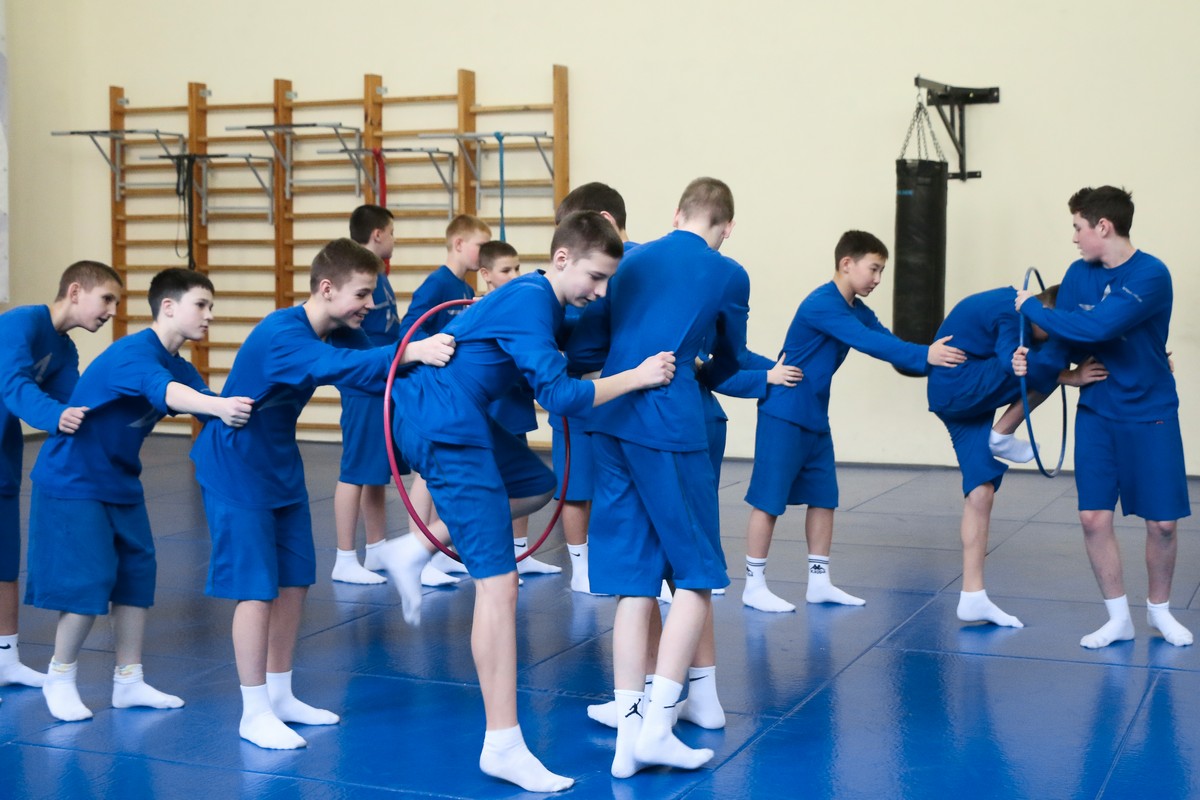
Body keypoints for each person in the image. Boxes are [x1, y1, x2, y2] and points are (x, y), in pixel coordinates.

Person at [376, 211, 674, 792]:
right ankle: (503, 744)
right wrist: (636, 377)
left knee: (536, 486)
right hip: (442, 420)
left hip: (460, 414)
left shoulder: (544, 300)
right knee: (500, 585)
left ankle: (414, 548)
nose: (599, 292)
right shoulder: (531, 301)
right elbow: (559, 396)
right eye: (595, 277)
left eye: (608, 281)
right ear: (562, 259)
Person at [190, 240, 453, 749]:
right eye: (362, 294)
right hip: (235, 467)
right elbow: (344, 368)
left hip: (278, 465)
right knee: (256, 589)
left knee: (294, 582)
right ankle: (253, 711)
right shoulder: (283, 334)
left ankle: (280, 693)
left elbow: (379, 375)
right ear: (327, 288)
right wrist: (412, 350)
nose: (370, 305)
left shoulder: (340, 330)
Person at [566, 178, 751, 778]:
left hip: (610, 419)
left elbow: (586, 345)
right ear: (726, 226)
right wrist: (703, 364)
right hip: (669, 424)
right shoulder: (728, 272)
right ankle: (660, 725)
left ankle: (629, 735)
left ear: (677, 214)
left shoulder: (628, 258)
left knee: (634, 582)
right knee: (696, 574)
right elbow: (730, 359)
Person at [27, 268, 253, 722]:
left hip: (120, 480)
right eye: (201, 305)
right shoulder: (133, 353)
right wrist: (218, 406)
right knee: (89, 580)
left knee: (136, 575)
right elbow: (165, 391)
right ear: (168, 307)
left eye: (211, 307)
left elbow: (204, 403)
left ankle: (128, 681)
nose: (209, 315)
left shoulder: (180, 366)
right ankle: (60, 676)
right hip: (73, 481)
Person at [741, 230, 966, 613]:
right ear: (847, 264)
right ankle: (754, 585)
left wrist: (929, 357)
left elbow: (887, 340)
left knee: (824, 497)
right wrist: (925, 355)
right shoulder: (822, 305)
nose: (877, 279)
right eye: (873, 269)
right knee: (769, 499)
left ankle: (819, 582)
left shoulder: (856, 309)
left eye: (881, 271)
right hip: (784, 411)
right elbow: (869, 343)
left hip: (814, 412)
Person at [1015, 185, 1192, 649]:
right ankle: (1118, 619)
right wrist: (1048, 370)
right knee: (1094, 518)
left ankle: (1159, 612)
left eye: (1078, 228)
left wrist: (1030, 305)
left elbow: (1097, 326)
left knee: (1163, 524)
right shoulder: (1077, 275)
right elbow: (1064, 343)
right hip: (1098, 410)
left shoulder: (1152, 274)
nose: (1074, 237)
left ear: (1103, 226)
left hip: (1150, 410)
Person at [929, 285, 1105, 627]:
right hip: (959, 386)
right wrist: (1069, 376)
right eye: (1051, 327)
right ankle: (1003, 433)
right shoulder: (1008, 310)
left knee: (981, 492)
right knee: (1050, 357)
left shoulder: (1027, 316)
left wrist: (1153, 359)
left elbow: (1089, 344)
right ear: (1041, 312)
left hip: (963, 395)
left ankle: (973, 597)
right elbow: (1012, 360)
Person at [0, 261, 122, 698]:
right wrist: (56, 416)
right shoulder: (20, 323)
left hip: (4, 454)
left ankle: (5, 659)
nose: (112, 311)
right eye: (106, 299)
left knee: (5, 560)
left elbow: (78, 403)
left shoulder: (65, 350)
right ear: (74, 292)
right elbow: (13, 384)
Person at [551, 183, 637, 593]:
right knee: (577, 486)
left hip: (613, 392)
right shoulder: (568, 283)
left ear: (602, 222)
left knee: (612, 486)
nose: (599, 286)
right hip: (581, 392)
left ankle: (615, 567)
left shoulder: (635, 263)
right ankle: (583, 570)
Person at [395, 214, 491, 579]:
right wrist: (431, 348)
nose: (485, 253)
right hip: (428, 389)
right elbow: (408, 332)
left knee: (442, 474)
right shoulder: (437, 284)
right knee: (428, 472)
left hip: (450, 392)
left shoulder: (463, 287)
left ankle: (433, 550)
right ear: (459, 244)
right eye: (481, 246)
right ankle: (417, 552)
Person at [477, 240, 561, 576]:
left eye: (517, 268)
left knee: (522, 482)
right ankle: (489, 554)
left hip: (516, 411)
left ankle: (519, 552)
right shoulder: (485, 311)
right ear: (486, 274)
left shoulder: (522, 307)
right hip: (494, 413)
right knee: (489, 485)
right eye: (505, 270)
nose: (514, 275)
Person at [330, 204, 400, 586]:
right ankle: (344, 557)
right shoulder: (353, 281)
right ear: (377, 234)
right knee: (356, 470)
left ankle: (376, 547)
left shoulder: (377, 278)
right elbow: (350, 336)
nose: (394, 241)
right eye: (392, 233)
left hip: (382, 380)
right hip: (363, 385)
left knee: (376, 470)